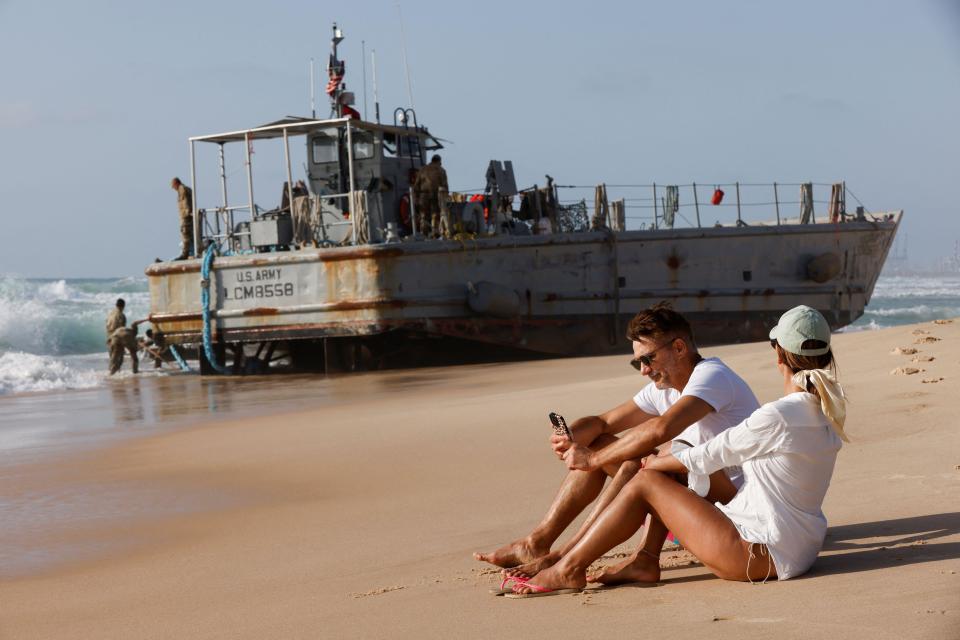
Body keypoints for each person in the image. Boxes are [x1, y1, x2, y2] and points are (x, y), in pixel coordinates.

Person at [508, 305, 846, 597]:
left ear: (778, 355)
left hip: (761, 554)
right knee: (656, 464)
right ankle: (603, 558)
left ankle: (568, 565)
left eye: (648, 358)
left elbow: (709, 454)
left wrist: (620, 461)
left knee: (645, 479)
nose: (643, 368)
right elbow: (617, 426)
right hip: (798, 547)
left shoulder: (776, 414)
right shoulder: (823, 411)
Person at [475, 303, 760, 581]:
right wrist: (572, 435)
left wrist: (593, 460)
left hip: (734, 502)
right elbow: (603, 423)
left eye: (648, 359)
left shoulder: (712, 376)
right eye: (637, 362)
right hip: (701, 489)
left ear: (679, 348)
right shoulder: (664, 387)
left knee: (645, 461)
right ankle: (537, 543)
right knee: (603, 444)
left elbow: (660, 429)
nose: (643, 370)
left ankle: (569, 556)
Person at [412, 155, 448, 238]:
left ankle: (423, 234)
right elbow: (444, 185)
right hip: (436, 196)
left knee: (423, 215)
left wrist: (415, 197)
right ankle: (436, 234)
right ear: (439, 161)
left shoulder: (422, 169)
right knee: (435, 215)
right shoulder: (441, 170)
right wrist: (446, 197)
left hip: (423, 196)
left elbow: (416, 185)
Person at [171, 177, 194, 260]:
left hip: (186, 215)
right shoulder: (185, 189)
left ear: (176, 184)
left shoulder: (182, 189)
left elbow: (186, 202)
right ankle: (189, 251)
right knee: (189, 234)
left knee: (185, 233)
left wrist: (187, 213)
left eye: (173, 186)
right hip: (186, 215)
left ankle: (185, 253)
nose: (173, 188)